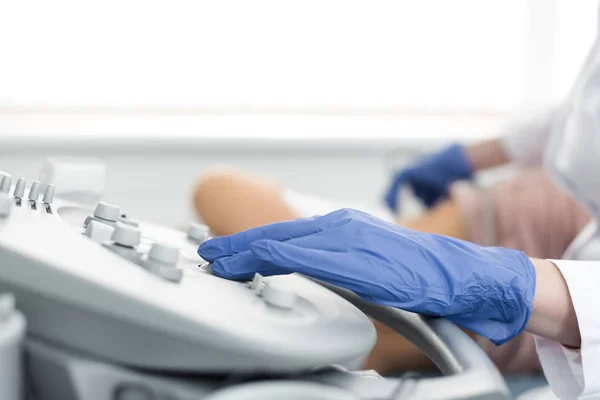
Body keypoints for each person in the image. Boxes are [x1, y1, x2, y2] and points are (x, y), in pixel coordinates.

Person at [196, 5, 600, 399]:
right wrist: (467, 158)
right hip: (551, 251)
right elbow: (581, 114)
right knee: (219, 195)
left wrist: (511, 283)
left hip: (547, 266)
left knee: (223, 199)